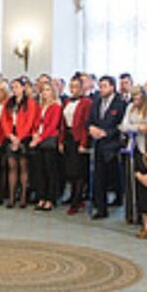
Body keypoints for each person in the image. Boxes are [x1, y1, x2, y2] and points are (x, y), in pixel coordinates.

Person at [87, 75, 126, 219]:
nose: (101, 89)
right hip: (98, 144)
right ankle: (101, 208)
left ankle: (118, 198)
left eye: (104, 86)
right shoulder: (96, 102)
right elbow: (89, 120)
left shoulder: (120, 103)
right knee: (99, 178)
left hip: (113, 145)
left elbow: (122, 125)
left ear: (112, 87)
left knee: (114, 177)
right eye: (100, 86)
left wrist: (106, 133)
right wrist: (91, 129)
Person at [2, 78, 39, 209]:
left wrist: (19, 138)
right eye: (12, 87)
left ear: (23, 88)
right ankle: (11, 197)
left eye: (17, 87)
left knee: (23, 167)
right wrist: (10, 136)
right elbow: (4, 120)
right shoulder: (9, 102)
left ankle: (23, 196)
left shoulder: (30, 103)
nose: (15, 90)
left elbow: (30, 121)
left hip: (24, 136)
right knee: (12, 167)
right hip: (11, 135)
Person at [61, 76, 92, 214]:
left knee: (78, 171)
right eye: (71, 86)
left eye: (76, 86)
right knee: (69, 171)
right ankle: (73, 197)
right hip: (68, 137)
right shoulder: (67, 101)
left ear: (82, 88)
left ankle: (77, 201)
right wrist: (61, 141)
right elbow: (62, 123)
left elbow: (86, 124)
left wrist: (84, 143)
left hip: (79, 138)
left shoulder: (87, 102)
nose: (73, 89)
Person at [30, 83, 62, 211]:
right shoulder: (39, 107)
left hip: (49, 140)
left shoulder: (56, 107)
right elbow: (35, 122)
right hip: (38, 139)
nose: (45, 93)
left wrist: (40, 138)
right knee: (39, 171)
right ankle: (41, 197)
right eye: (43, 90)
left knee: (50, 171)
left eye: (48, 90)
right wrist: (34, 134)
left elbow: (52, 126)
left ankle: (50, 198)